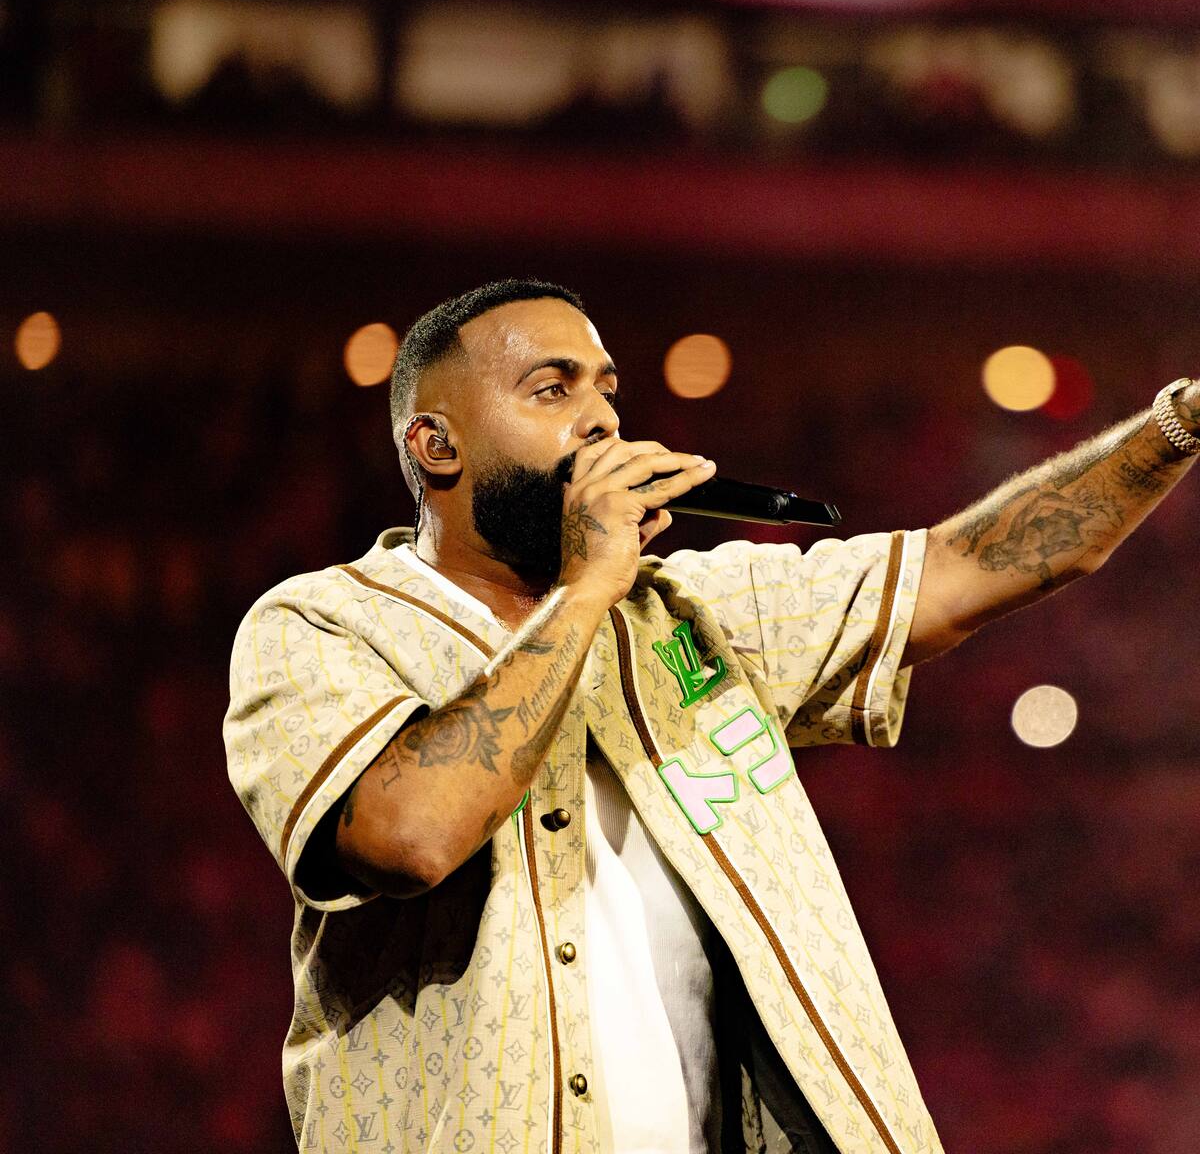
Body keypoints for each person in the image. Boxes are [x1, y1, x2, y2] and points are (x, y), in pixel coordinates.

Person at [223, 279, 1200, 1154]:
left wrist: (1179, 425)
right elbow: (409, 836)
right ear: (436, 445)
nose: (602, 420)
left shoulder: (695, 612)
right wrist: (586, 587)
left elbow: (971, 567)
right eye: (552, 389)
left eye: (607, 389)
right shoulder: (320, 625)